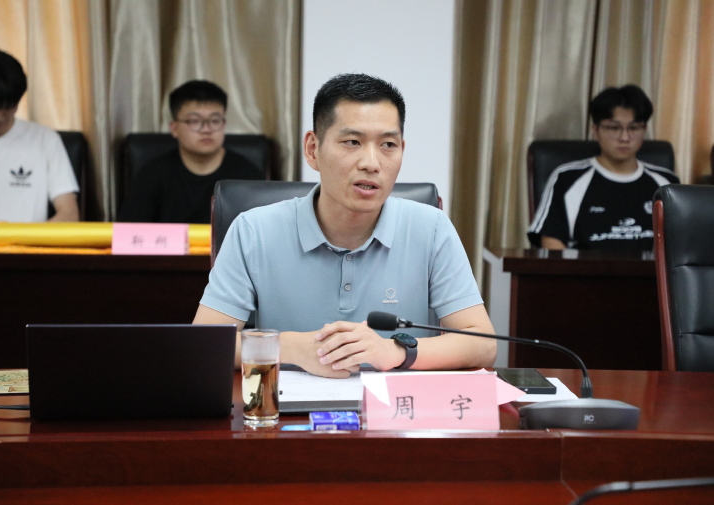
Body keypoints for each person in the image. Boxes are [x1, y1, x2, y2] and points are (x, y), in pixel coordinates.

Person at [193, 73, 496, 378]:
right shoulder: (253, 231)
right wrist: (291, 348)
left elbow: (482, 344)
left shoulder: (431, 229)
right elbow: (204, 345)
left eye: (388, 144)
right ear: (313, 149)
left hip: (395, 406)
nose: (371, 163)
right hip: (288, 407)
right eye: (352, 142)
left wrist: (393, 351)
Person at [528, 84, 679, 252]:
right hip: (583, 268)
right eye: (613, 128)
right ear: (595, 129)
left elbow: (681, 242)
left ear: (644, 129)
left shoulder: (666, 183)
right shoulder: (567, 178)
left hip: (651, 270)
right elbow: (551, 240)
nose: (624, 137)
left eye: (634, 128)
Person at [0, 49, 80, 222]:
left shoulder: (44, 139)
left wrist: (24, 237)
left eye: (8, 107)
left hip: (26, 239)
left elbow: (69, 214)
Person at [118, 80, 263, 224]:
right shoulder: (151, 175)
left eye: (215, 120)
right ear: (174, 128)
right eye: (195, 121)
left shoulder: (247, 176)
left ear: (224, 124)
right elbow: (129, 231)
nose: (206, 129)